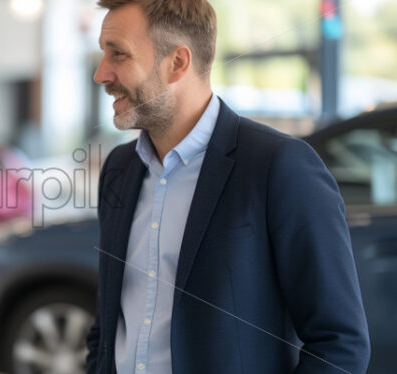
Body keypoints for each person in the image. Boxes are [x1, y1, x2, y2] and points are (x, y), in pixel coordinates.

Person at [86, 1, 370, 373]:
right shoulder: (120, 169)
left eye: (118, 55)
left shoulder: (280, 166)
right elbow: (108, 325)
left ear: (177, 63)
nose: (101, 74)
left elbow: (340, 344)